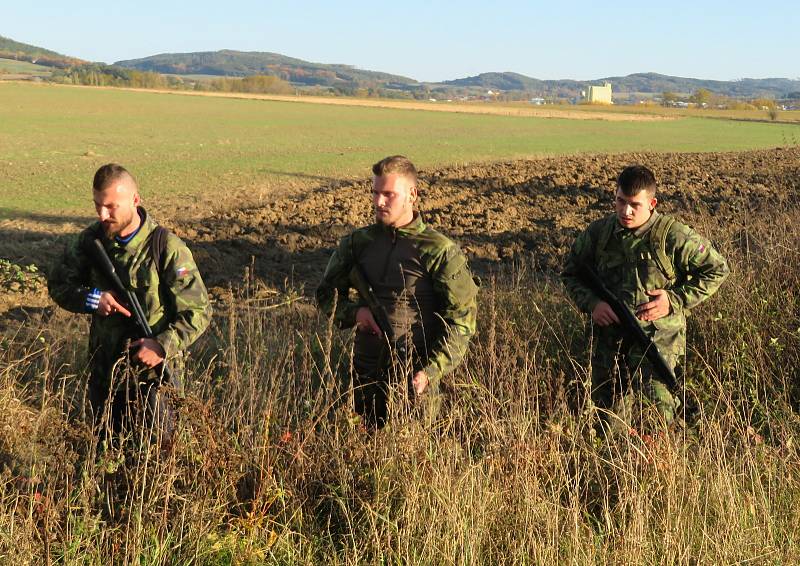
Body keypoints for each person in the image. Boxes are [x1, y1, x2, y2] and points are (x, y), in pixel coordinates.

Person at [48, 163, 211, 448]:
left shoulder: (166, 247)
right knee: (104, 455)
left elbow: (199, 311)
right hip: (105, 377)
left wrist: (161, 345)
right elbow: (59, 285)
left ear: (135, 200)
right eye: (98, 205)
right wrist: (92, 299)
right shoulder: (89, 242)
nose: (102, 214)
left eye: (111, 206)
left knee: (156, 462)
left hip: (154, 382)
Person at [561, 165, 729, 432]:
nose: (625, 211)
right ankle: (614, 468)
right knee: (607, 419)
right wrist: (593, 304)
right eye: (620, 202)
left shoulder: (672, 236)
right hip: (609, 340)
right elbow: (570, 272)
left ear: (652, 204)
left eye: (634, 205)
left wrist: (673, 300)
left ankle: (661, 467)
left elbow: (717, 269)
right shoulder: (598, 234)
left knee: (658, 415)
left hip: (656, 341)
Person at [316, 155, 479, 428]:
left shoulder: (438, 250)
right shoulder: (358, 243)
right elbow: (326, 294)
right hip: (364, 373)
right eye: (375, 193)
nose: (379, 202)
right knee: (362, 446)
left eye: (388, 194)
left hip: (415, 376)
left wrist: (430, 371)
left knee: (414, 453)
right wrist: (357, 313)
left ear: (412, 194)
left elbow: (462, 322)